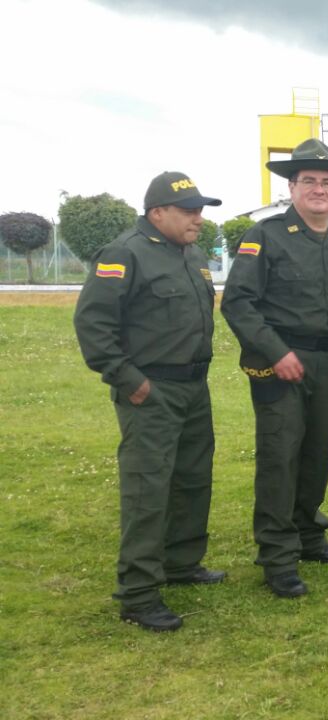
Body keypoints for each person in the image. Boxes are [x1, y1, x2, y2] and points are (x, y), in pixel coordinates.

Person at [73, 171, 224, 631]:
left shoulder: (191, 254)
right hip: (150, 389)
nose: (198, 218)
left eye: (201, 210)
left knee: (193, 479)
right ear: (157, 212)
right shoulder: (125, 254)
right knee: (148, 488)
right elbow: (93, 323)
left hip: (193, 386)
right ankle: (137, 593)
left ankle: (181, 563)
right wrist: (128, 379)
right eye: (189, 211)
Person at [221, 139, 328, 598]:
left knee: (318, 451)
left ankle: (307, 534)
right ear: (291, 187)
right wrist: (275, 351)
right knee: (280, 456)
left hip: (327, 362)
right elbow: (239, 303)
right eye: (310, 181)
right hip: (278, 361)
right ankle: (277, 556)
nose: (321, 189)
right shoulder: (265, 235)